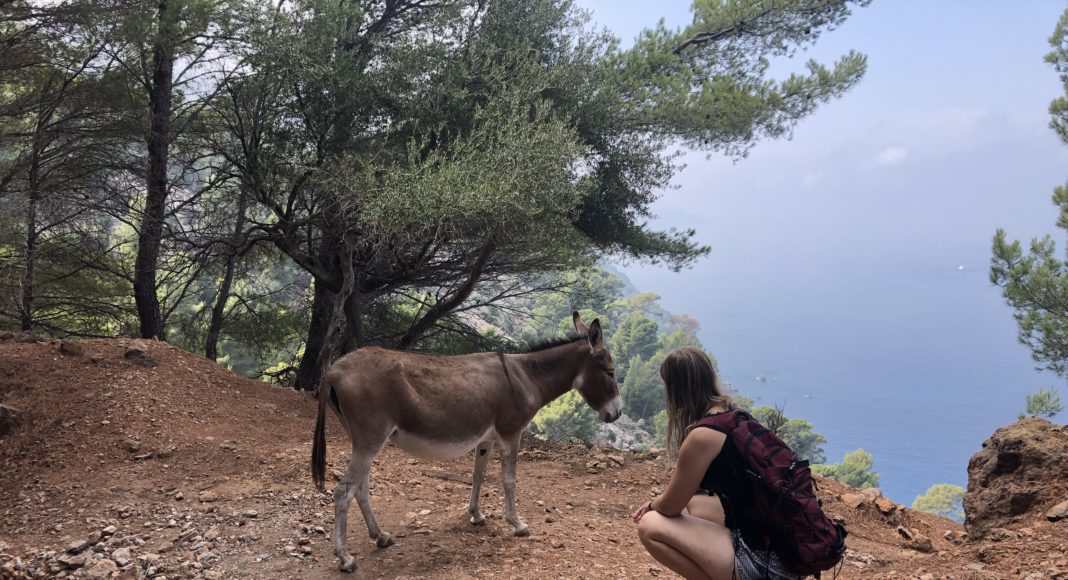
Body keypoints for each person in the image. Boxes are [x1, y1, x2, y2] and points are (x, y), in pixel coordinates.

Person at [632, 347, 800, 580]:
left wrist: (651, 504)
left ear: (677, 390)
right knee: (697, 503)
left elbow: (670, 506)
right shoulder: (736, 415)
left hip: (762, 563)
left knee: (650, 526)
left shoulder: (703, 436)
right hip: (787, 556)